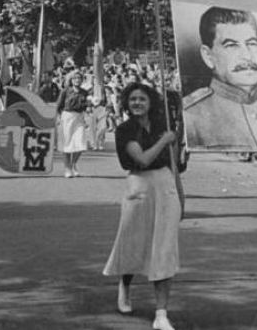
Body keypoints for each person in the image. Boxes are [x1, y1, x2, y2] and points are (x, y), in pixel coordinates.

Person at [103, 82, 181, 330]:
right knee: (133, 243)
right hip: (139, 186)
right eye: (133, 99)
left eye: (142, 99)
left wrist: (181, 193)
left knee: (164, 248)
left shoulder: (162, 125)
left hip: (165, 184)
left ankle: (161, 314)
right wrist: (164, 141)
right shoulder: (124, 130)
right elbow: (143, 159)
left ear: (151, 103)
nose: (137, 103)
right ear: (126, 103)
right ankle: (125, 285)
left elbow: (173, 164)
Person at [183, 7, 257, 153]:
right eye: (232, 46)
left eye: (252, 43)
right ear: (208, 56)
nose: (247, 56)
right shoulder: (191, 116)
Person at [56, 70, 90, 178]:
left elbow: (86, 106)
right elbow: (59, 105)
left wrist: (90, 104)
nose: (77, 80)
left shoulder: (84, 92)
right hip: (67, 116)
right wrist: (57, 117)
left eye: (79, 78)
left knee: (80, 143)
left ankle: (73, 164)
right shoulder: (65, 91)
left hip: (79, 117)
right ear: (71, 80)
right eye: (75, 78)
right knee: (66, 143)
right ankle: (67, 168)